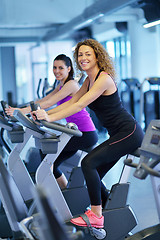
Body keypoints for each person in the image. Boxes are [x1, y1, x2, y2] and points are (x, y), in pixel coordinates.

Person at [34, 39, 144, 229]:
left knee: (88, 163)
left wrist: (49, 118)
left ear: (97, 56)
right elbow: (70, 102)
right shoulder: (88, 80)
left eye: (87, 54)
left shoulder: (103, 79)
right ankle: (109, 209)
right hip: (117, 134)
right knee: (94, 174)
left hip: (129, 132)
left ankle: (96, 215)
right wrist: (44, 114)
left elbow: (79, 105)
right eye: (80, 55)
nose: (83, 58)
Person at [5, 54, 98, 189]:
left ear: (69, 69)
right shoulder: (61, 85)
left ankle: (59, 193)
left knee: (48, 156)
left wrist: (22, 111)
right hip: (76, 132)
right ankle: (64, 194)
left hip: (85, 133)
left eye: (61, 68)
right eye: (54, 67)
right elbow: (43, 100)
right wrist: (18, 109)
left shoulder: (71, 84)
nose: (56, 71)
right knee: (49, 162)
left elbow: (48, 103)